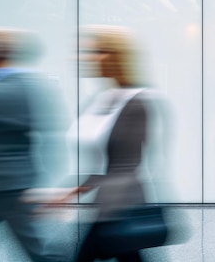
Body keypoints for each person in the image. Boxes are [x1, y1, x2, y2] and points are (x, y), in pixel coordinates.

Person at [58, 25, 162, 262]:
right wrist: (74, 190)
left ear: (117, 56)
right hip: (106, 204)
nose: (89, 57)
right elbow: (100, 159)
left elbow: (126, 164)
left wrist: (78, 191)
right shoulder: (102, 99)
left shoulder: (137, 102)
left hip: (121, 204)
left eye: (98, 51)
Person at [0, 28, 65, 262]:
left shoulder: (7, 88)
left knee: (39, 252)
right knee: (37, 249)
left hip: (8, 184)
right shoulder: (28, 85)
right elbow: (48, 134)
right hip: (19, 182)